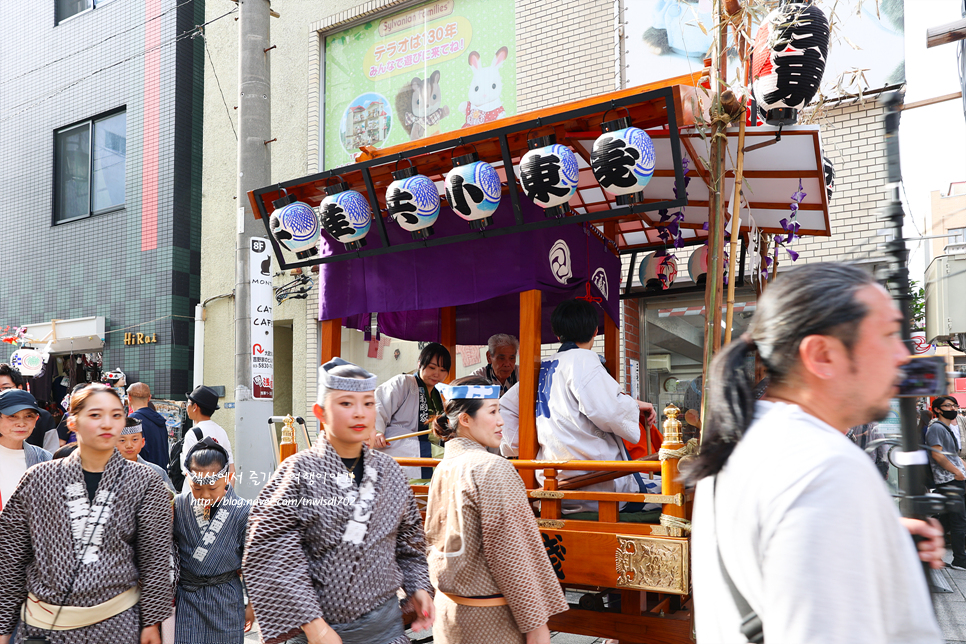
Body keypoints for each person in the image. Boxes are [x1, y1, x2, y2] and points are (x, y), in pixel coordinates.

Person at [686, 263, 944, 643]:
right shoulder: (824, 468)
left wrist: (871, 537)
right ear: (822, 355)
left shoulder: (748, 442)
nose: (903, 356)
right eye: (889, 334)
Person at [244, 358, 434, 644]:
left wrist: (419, 587)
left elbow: (410, 542)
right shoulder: (297, 472)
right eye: (346, 404)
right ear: (320, 412)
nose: (360, 413)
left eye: (368, 404)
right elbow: (270, 551)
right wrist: (315, 626)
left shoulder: (390, 471)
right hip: (320, 634)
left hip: (385, 632)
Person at [0, 383, 173, 644]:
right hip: (43, 625)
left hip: (118, 624)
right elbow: (11, 557)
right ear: (72, 422)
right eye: (95, 415)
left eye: (116, 415)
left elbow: (155, 558)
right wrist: (3, 627)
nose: (107, 424)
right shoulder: (38, 478)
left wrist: (151, 622)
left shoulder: (145, 481)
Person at [426, 377, 568, 644]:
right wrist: (536, 624)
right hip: (489, 621)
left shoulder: (443, 467)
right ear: (465, 419)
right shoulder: (492, 467)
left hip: (449, 615)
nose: (501, 420)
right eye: (492, 411)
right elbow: (512, 554)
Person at [500, 299, 655, 513]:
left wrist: (529, 446)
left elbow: (506, 408)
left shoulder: (543, 365)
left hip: (551, 478)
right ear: (595, 331)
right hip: (595, 481)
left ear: (556, 334)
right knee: (675, 490)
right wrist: (633, 407)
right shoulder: (585, 360)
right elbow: (609, 412)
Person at [174, 437, 253, 643]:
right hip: (188, 599)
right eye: (197, 489)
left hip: (225, 598)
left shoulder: (242, 510)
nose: (205, 496)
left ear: (227, 478)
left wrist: (252, 605)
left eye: (213, 489)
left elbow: (254, 563)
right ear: (187, 478)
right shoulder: (178, 505)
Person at [372, 343, 451, 480]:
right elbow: (377, 404)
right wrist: (376, 432)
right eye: (432, 367)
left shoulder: (438, 395)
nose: (436, 374)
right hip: (399, 443)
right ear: (420, 363)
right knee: (452, 460)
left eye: (442, 370)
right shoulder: (403, 382)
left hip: (425, 446)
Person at [925, 396, 966, 570]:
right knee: (958, 520)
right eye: (948, 405)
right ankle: (960, 560)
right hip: (948, 480)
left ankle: (928, 550)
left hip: (955, 478)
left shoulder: (945, 428)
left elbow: (954, 455)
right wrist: (957, 472)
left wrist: (962, 470)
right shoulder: (936, 428)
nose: (953, 408)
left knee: (948, 521)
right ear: (938, 410)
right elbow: (937, 454)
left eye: (954, 405)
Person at [0, 389, 52, 512]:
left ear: (37, 419)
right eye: (12, 416)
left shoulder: (44, 459)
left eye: (29, 416)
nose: (21, 423)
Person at [180, 385, 234, 491]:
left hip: (195, 496)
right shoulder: (221, 431)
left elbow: (189, 471)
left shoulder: (192, 434)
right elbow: (230, 467)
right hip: (218, 494)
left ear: (195, 407)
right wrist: (227, 494)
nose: (187, 407)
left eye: (188, 404)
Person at [0, 363, 60, 452]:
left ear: (19, 387)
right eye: (12, 416)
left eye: (5, 387)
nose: (21, 424)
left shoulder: (43, 417)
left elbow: (52, 453)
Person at [117, 417, 176, 494]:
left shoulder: (157, 472)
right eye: (122, 440)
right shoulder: (106, 471)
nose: (129, 445)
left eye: (134, 439)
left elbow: (173, 502)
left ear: (142, 442)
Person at [129, 382, 170, 472]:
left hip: (142, 475)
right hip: (161, 473)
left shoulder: (132, 421)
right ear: (149, 398)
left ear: (129, 397)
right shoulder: (160, 420)